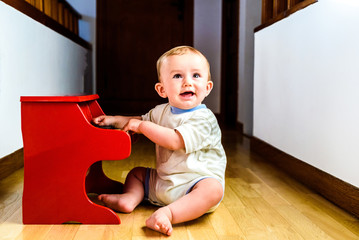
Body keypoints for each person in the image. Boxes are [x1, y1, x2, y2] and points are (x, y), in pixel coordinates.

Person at [92, 46, 226, 236]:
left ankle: (168, 213)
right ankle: (130, 198)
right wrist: (114, 119)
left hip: (194, 185)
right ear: (162, 89)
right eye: (178, 76)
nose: (187, 82)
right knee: (137, 174)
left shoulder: (204, 119)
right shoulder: (160, 111)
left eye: (196, 75)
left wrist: (142, 128)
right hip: (163, 182)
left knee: (213, 190)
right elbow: (139, 120)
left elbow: (174, 141)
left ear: (207, 87)